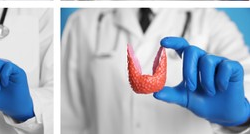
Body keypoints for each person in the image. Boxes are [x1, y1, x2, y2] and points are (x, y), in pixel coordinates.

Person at [61, 8, 250, 134]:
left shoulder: (212, 22)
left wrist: (241, 116)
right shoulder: (83, 23)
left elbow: (245, 78)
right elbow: (67, 120)